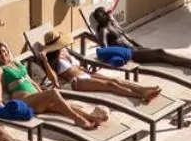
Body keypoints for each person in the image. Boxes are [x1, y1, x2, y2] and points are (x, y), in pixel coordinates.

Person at [0, 41, 109, 129]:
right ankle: (78, 119)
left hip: (37, 97)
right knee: (53, 93)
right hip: (25, 100)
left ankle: (90, 117)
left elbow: (31, 81)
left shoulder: (17, 64)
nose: (3, 54)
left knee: (64, 105)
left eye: (4, 51)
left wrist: (41, 92)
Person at [33, 28, 164, 106]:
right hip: (78, 82)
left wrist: (86, 69)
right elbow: (55, 81)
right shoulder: (52, 60)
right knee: (110, 86)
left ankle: (143, 89)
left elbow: (78, 62)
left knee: (115, 81)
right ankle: (140, 96)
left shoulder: (64, 51)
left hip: (85, 73)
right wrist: (44, 61)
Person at [86, 5, 191, 73]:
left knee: (162, 56)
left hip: (136, 49)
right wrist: (121, 57)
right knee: (161, 53)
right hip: (131, 54)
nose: (110, 15)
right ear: (102, 18)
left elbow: (129, 38)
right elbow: (104, 50)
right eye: (106, 14)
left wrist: (141, 47)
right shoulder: (103, 31)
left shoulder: (113, 25)